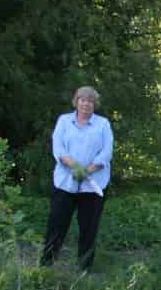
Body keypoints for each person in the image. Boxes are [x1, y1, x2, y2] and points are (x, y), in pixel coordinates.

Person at [39, 86, 113, 271]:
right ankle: (46, 265)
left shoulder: (103, 124)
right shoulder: (64, 121)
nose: (86, 104)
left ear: (94, 104)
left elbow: (106, 152)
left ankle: (84, 268)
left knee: (88, 228)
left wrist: (88, 170)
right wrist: (75, 166)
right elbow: (58, 148)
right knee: (57, 224)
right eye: (82, 100)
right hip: (65, 182)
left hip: (93, 184)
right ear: (76, 101)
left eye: (90, 101)